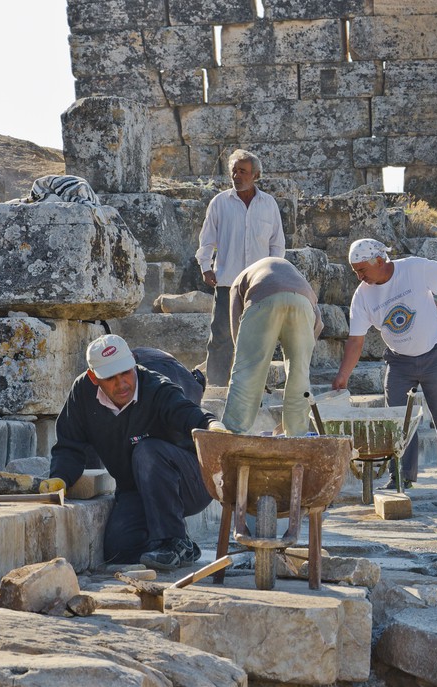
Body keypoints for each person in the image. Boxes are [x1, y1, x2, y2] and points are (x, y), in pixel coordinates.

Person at [43, 335, 217, 571]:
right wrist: (60, 477)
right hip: (136, 488)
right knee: (120, 549)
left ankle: (171, 541)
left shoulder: (156, 387)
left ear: (134, 362)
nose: (121, 383)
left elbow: (189, 414)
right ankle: (183, 547)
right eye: (110, 377)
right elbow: (69, 445)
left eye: (126, 372)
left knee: (146, 451)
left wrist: (213, 425)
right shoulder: (82, 393)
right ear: (94, 377)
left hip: (190, 482)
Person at [332, 239, 437, 490]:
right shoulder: (362, 296)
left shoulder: (413, 268)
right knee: (397, 421)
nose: (360, 277)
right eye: (356, 272)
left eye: (362, 270)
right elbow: (355, 341)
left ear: (380, 261)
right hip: (399, 362)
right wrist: (343, 376)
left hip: (435, 354)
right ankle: (402, 477)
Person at [195, 149, 285, 387]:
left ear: (255, 175)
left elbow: (277, 244)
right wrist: (206, 266)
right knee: (221, 337)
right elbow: (206, 239)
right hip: (228, 283)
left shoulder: (269, 205)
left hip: (260, 285)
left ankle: (254, 387)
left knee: (259, 338)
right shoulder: (220, 203)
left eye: (242, 171)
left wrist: (274, 275)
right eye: (234, 171)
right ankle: (216, 388)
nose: (236, 176)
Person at [221, 257, 322, 436]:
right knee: (299, 374)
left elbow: (238, 332)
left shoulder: (239, 281)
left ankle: (233, 432)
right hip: (304, 304)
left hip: (263, 297)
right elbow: (318, 324)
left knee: (247, 371)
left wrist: (247, 361)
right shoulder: (295, 276)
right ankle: (296, 434)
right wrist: (303, 352)